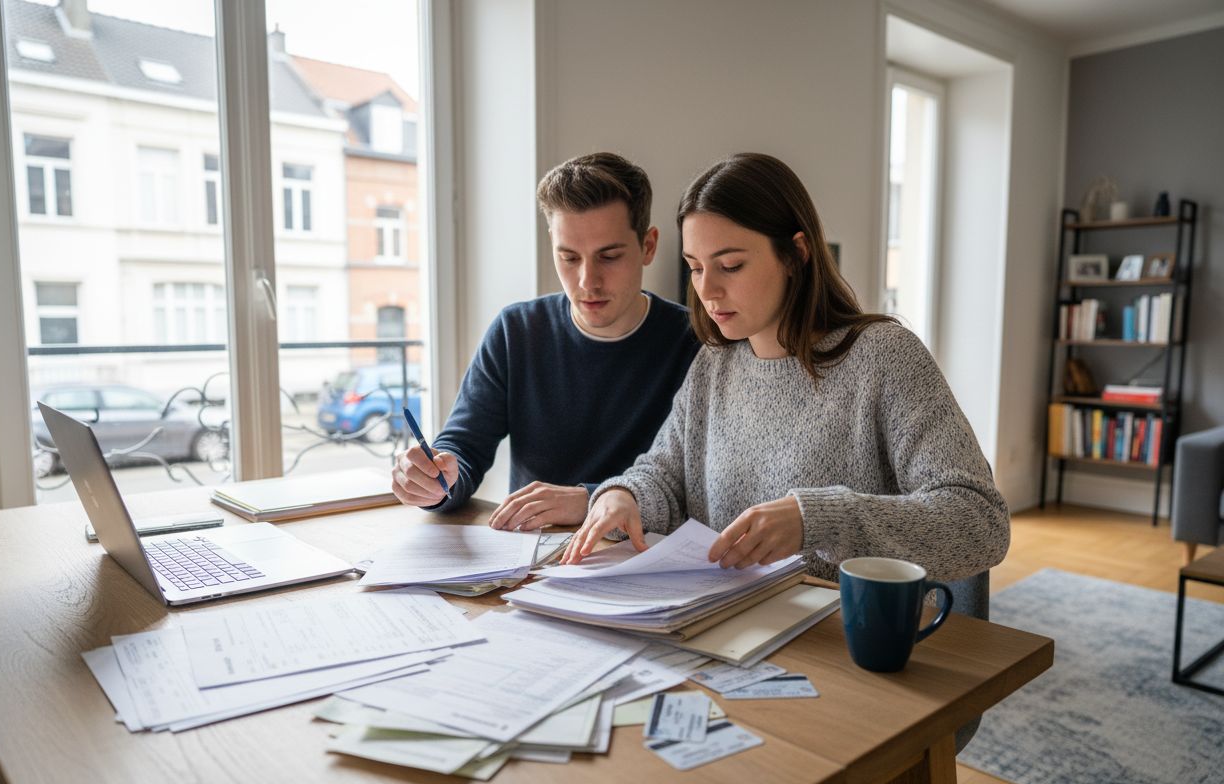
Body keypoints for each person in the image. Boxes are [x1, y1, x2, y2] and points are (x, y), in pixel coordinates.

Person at [563, 153, 1009, 582]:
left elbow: (980, 523)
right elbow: (662, 476)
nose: (707, 290)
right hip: (730, 627)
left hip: (843, 640)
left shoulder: (884, 357)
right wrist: (625, 496)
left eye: (731, 265)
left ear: (796, 254)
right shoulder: (714, 365)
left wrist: (818, 519)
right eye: (695, 268)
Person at [391, 152, 700, 530]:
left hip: (642, 560)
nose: (588, 281)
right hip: (528, 562)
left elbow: (696, 488)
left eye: (609, 256)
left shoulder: (695, 342)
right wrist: (436, 480)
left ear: (648, 246)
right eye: (569, 257)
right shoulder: (517, 331)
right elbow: (463, 448)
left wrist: (590, 499)